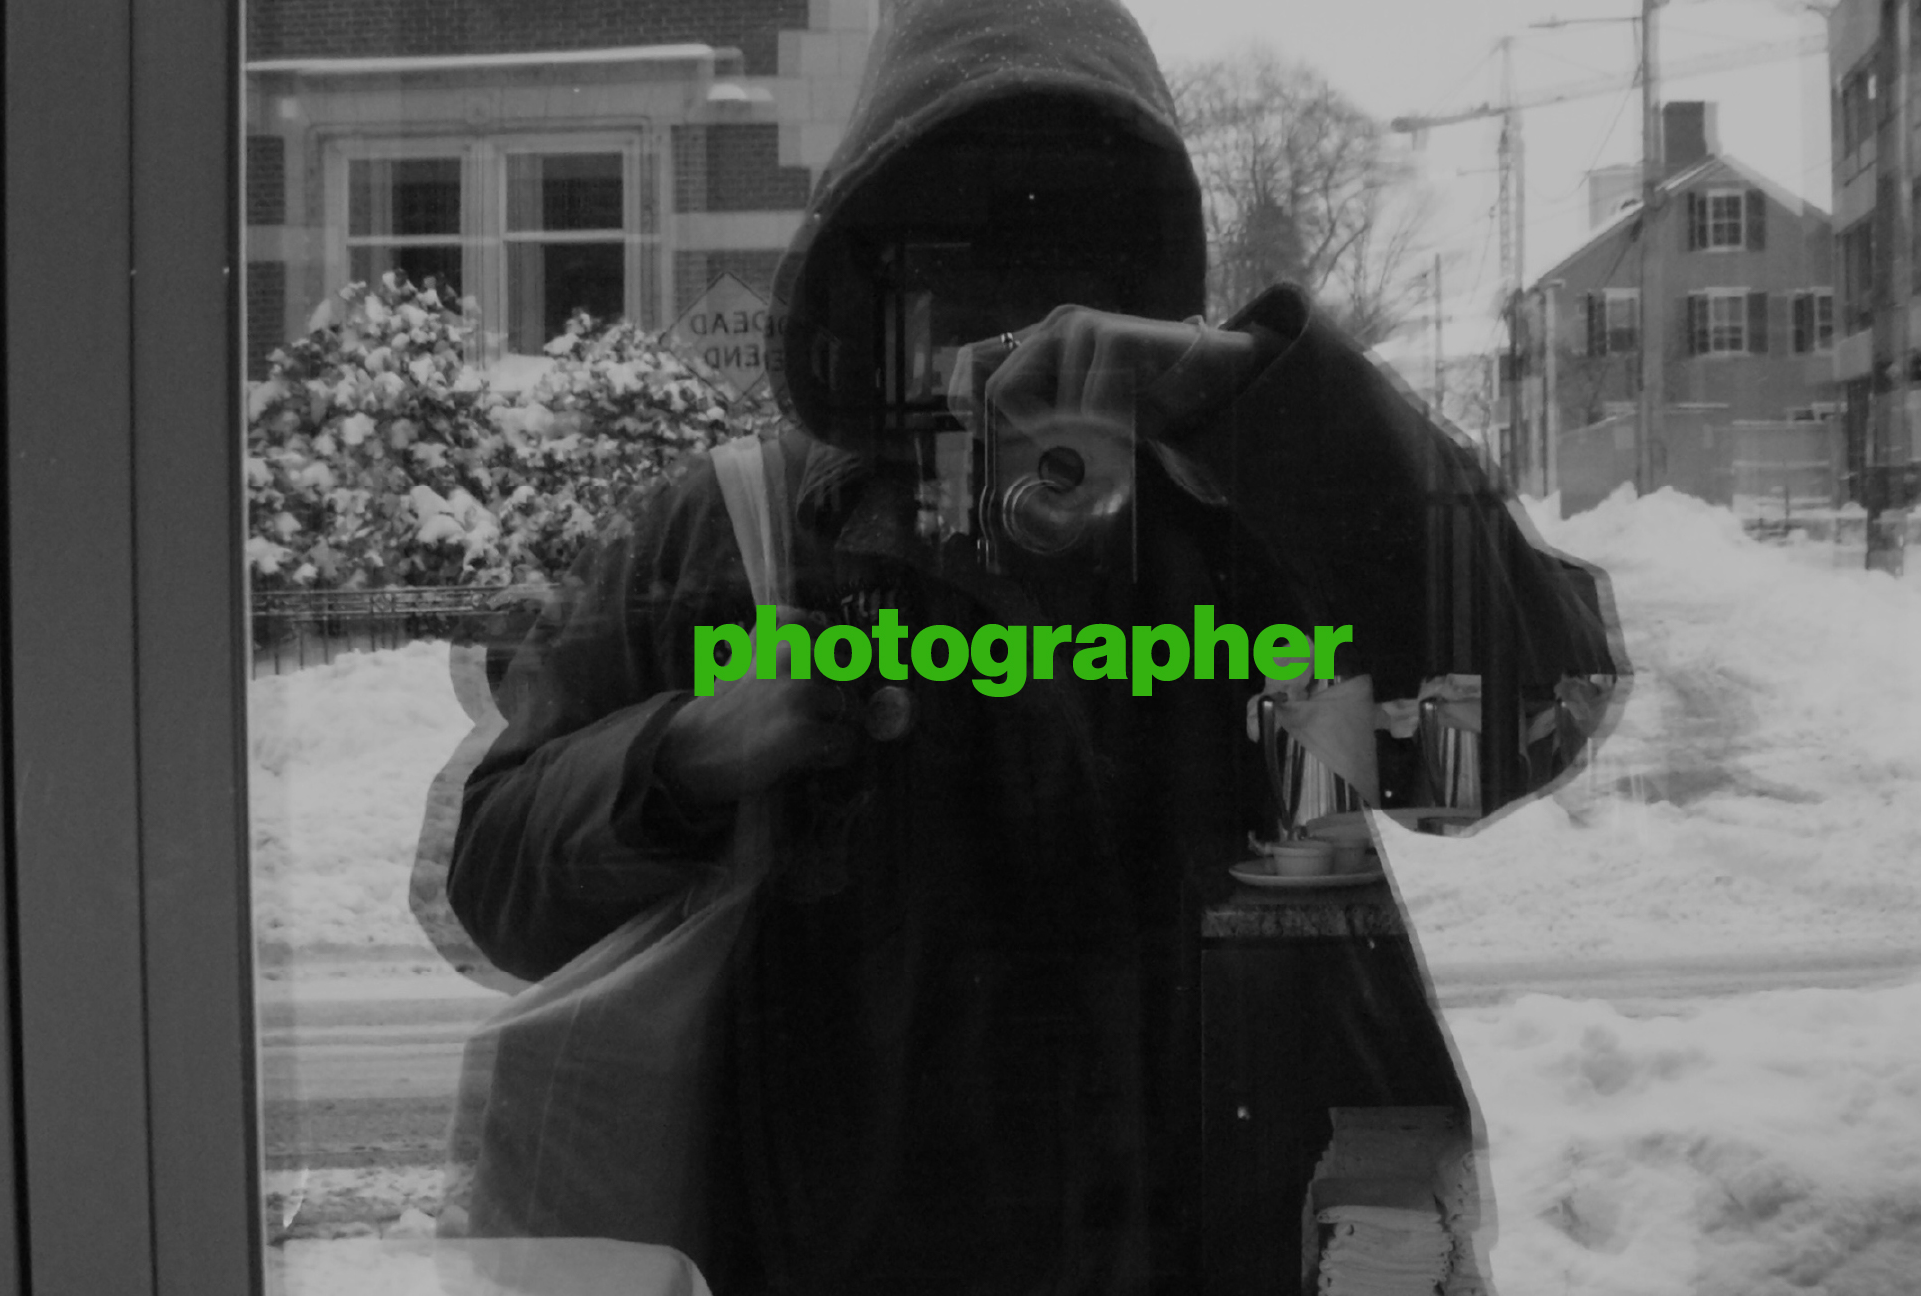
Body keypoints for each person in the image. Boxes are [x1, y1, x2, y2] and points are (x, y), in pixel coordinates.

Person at [441, 0, 1618, 1292]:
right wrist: (686, 753)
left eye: (1079, 249)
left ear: (1148, 279)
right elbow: (496, 876)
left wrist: (1260, 411)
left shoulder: (1248, 527)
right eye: (956, 249)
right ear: (867, 276)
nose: (1011, 319)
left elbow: (1527, 716)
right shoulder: (734, 537)